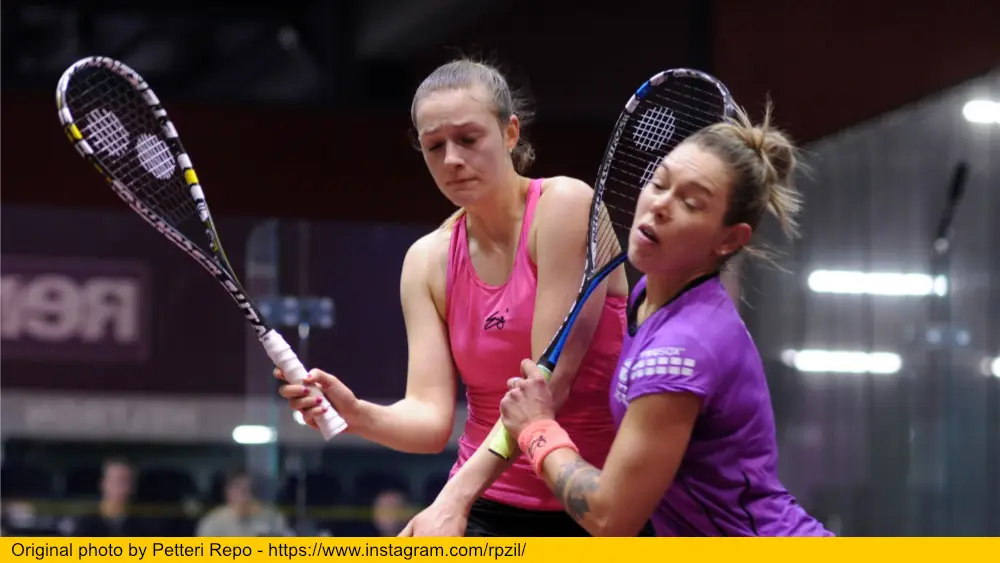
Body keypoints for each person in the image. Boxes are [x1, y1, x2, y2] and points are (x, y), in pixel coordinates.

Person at [275, 57, 649, 537]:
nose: (451, 159)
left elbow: (546, 389)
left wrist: (452, 499)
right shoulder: (427, 261)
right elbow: (431, 421)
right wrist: (357, 412)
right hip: (489, 503)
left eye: (468, 139)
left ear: (510, 132)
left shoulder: (565, 207)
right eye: (434, 146)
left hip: (595, 501)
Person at [498, 102, 834, 537]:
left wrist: (537, 428)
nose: (659, 205)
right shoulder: (650, 297)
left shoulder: (685, 348)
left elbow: (608, 516)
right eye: (659, 183)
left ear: (730, 239)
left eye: (691, 203)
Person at [196, 470, 288, 537]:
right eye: (238, 488)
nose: (244, 494)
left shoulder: (271, 517)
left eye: (249, 489)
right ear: (228, 492)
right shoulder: (213, 522)